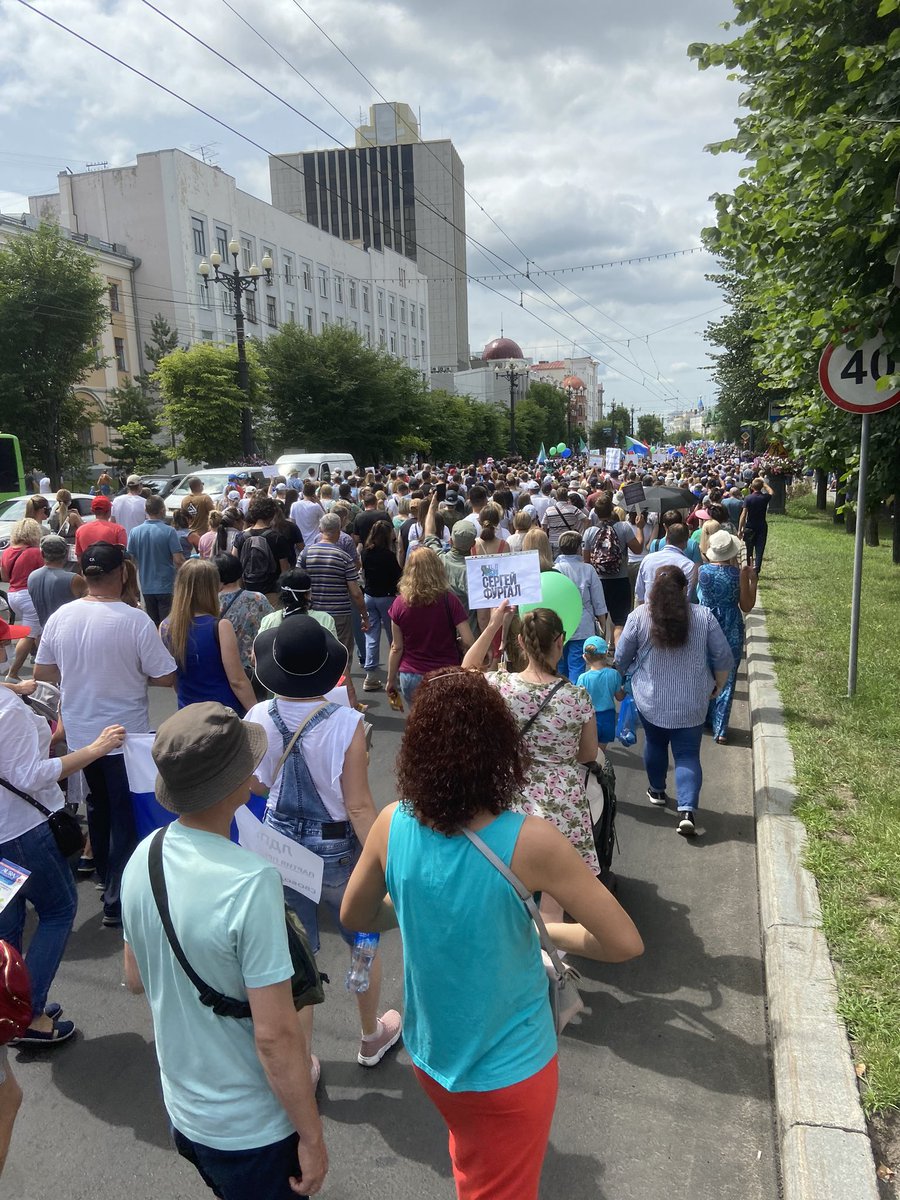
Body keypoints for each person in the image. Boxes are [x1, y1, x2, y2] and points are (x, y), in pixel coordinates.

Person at [340, 667, 643, 1200]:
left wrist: (412, 905)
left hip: (432, 1056)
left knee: (471, 1157)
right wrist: (550, 931)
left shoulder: (392, 823)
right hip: (509, 1069)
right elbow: (623, 943)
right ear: (501, 750)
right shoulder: (532, 842)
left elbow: (356, 916)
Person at [121, 703, 328, 1199]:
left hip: (185, 1111)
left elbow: (134, 977)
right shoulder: (251, 882)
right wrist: (313, 1136)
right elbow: (276, 1037)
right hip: (251, 1128)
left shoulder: (143, 855)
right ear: (236, 781)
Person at [248, 618, 401, 1077]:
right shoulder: (348, 723)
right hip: (336, 849)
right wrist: (386, 860)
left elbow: (255, 786)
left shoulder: (258, 717)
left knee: (296, 947)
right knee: (362, 935)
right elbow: (357, 806)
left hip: (277, 844)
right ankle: (370, 1033)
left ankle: (304, 1058)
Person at [33, 542, 176, 927]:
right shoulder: (134, 620)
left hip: (81, 733)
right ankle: (117, 895)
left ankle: (103, 876)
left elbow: (43, 672)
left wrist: (80, 671)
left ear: (85, 575)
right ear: (123, 573)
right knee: (124, 812)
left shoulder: (63, 616)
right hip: (123, 736)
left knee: (98, 803)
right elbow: (165, 675)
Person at [0, 681, 125, 1044]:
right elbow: (29, 775)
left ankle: (11, 1007)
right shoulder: (8, 711)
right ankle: (25, 1014)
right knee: (57, 911)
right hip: (23, 831)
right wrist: (95, 749)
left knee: (8, 928)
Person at [463, 605, 601, 915]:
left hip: (509, 791)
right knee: (556, 896)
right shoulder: (576, 697)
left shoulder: (501, 686)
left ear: (522, 643)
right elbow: (588, 754)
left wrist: (495, 624)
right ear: (560, 641)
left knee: (510, 882)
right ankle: (552, 957)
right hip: (561, 799)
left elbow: (466, 668)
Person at [614, 564, 735, 837]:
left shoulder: (639, 617)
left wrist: (619, 684)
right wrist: (718, 684)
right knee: (687, 754)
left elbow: (621, 659)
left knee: (655, 744)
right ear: (685, 589)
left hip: (650, 700)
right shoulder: (704, 617)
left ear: (653, 589)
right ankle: (687, 810)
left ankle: (657, 790)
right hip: (693, 701)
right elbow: (723, 657)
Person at [161, 559, 257, 716]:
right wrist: (256, 711)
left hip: (188, 711)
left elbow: (175, 679)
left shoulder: (166, 627)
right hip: (223, 712)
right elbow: (237, 681)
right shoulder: (220, 626)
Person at [386, 546, 474, 706]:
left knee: (419, 723)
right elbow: (468, 640)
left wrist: (390, 680)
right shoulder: (449, 600)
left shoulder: (399, 604)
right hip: (445, 674)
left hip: (411, 675)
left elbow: (396, 647)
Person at [697, 530, 757, 743]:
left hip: (705, 625)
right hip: (730, 625)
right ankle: (720, 728)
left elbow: (699, 597)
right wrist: (752, 581)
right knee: (728, 677)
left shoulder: (703, 571)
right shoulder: (736, 574)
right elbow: (746, 605)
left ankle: (704, 717)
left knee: (706, 671)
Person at [300, 514, 368, 685]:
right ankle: (342, 693)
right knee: (342, 655)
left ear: (321, 530)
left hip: (312, 613)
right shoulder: (343, 557)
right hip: (340, 614)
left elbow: (298, 583)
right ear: (339, 531)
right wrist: (364, 615)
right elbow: (356, 593)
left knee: (315, 654)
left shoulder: (306, 554)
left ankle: (319, 690)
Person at [583, 492, 645, 646]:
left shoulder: (589, 532)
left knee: (600, 623)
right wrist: (640, 529)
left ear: (595, 512)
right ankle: (618, 656)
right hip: (620, 580)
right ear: (612, 509)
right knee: (620, 623)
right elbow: (637, 549)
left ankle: (598, 658)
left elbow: (586, 561)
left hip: (599, 583)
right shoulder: (623, 528)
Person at [553, 530, 609, 682]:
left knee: (559, 666)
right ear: (579, 548)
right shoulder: (588, 569)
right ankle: (574, 699)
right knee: (577, 666)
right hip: (583, 624)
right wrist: (603, 626)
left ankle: (559, 697)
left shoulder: (554, 569)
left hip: (559, 625)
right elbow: (599, 601)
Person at [215, 553, 273, 685]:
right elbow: (270, 627)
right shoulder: (258, 599)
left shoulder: (209, 602)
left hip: (222, 668)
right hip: (254, 667)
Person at [126, 495, 185, 626]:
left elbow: (131, 561)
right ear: (162, 510)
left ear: (146, 510)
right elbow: (178, 560)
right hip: (166, 585)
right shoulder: (169, 531)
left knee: (153, 622)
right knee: (168, 624)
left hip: (146, 585)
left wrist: (132, 585)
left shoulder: (135, 532)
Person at [360, 520, 402, 692]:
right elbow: (398, 576)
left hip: (369, 596)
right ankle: (397, 671)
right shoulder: (389, 556)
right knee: (394, 637)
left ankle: (370, 675)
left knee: (371, 636)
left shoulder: (365, 553)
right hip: (387, 597)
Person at [1, 519, 44, 682]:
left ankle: (46, 663)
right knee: (29, 634)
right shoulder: (35, 552)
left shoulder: (7, 552)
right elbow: (43, 574)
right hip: (29, 596)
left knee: (39, 631)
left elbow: (5, 577)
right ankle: (12, 673)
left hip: (13, 595)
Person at [233, 497, 292, 608]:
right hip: (272, 592)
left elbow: (235, 564)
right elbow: (284, 570)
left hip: (247, 591)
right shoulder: (277, 538)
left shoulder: (241, 537)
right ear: (272, 514)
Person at [259, 569, 338, 640]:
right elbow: (335, 652)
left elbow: (257, 652)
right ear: (307, 595)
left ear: (282, 595)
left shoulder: (268, 621)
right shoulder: (325, 619)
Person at [576, 636, 624, 750]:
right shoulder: (614, 674)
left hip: (590, 718)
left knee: (590, 749)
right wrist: (626, 689)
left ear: (585, 657)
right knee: (601, 751)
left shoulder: (582, 678)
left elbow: (579, 702)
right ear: (606, 654)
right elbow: (620, 697)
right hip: (608, 717)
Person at [27, 535, 86, 628]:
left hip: (45, 630)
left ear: (42, 554)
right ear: (66, 554)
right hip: (68, 631)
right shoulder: (74, 579)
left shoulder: (32, 576)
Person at [634, 523, 699, 603]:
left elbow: (639, 594)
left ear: (666, 539)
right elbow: (686, 597)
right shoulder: (688, 565)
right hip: (676, 613)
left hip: (649, 610)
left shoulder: (647, 559)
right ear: (686, 542)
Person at [738, 477, 773, 574]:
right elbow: (771, 492)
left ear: (752, 487)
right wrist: (764, 483)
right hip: (762, 525)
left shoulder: (748, 498)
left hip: (750, 526)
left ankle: (748, 567)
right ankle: (756, 569)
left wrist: (740, 528)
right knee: (759, 549)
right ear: (761, 487)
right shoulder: (764, 498)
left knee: (749, 549)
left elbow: (743, 514)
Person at [289, 482, 326, 549]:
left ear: (303, 492)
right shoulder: (316, 506)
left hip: (300, 543)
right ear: (314, 494)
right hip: (314, 543)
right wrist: (319, 503)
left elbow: (292, 523)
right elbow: (326, 519)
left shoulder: (294, 505)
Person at [180, 476, 215, 540]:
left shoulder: (184, 500)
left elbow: (183, 517)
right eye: (202, 484)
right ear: (199, 485)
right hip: (204, 534)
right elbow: (214, 515)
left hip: (190, 534)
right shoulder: (205, 498)